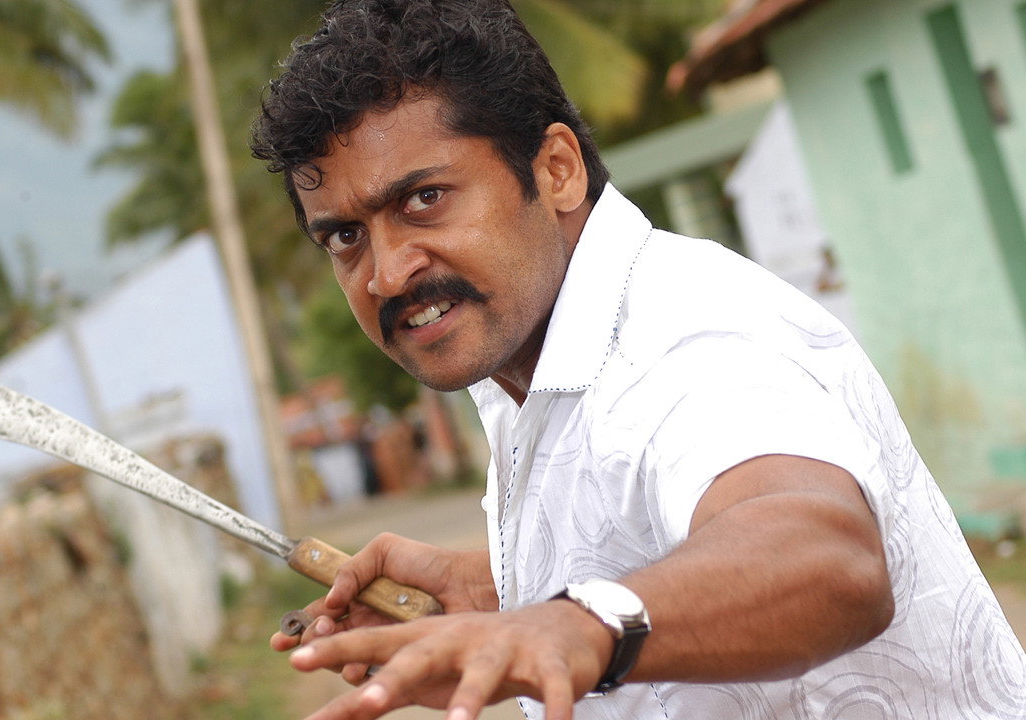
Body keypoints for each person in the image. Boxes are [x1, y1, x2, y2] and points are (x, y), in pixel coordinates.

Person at [250, 1, 1026, 718]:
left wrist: (574, 627)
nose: (387, 274)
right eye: (345, 236)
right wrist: (504, 598)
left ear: (556, 170)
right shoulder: (533, 365)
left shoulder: (685, 333)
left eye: (424, 199)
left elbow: (828, 556)